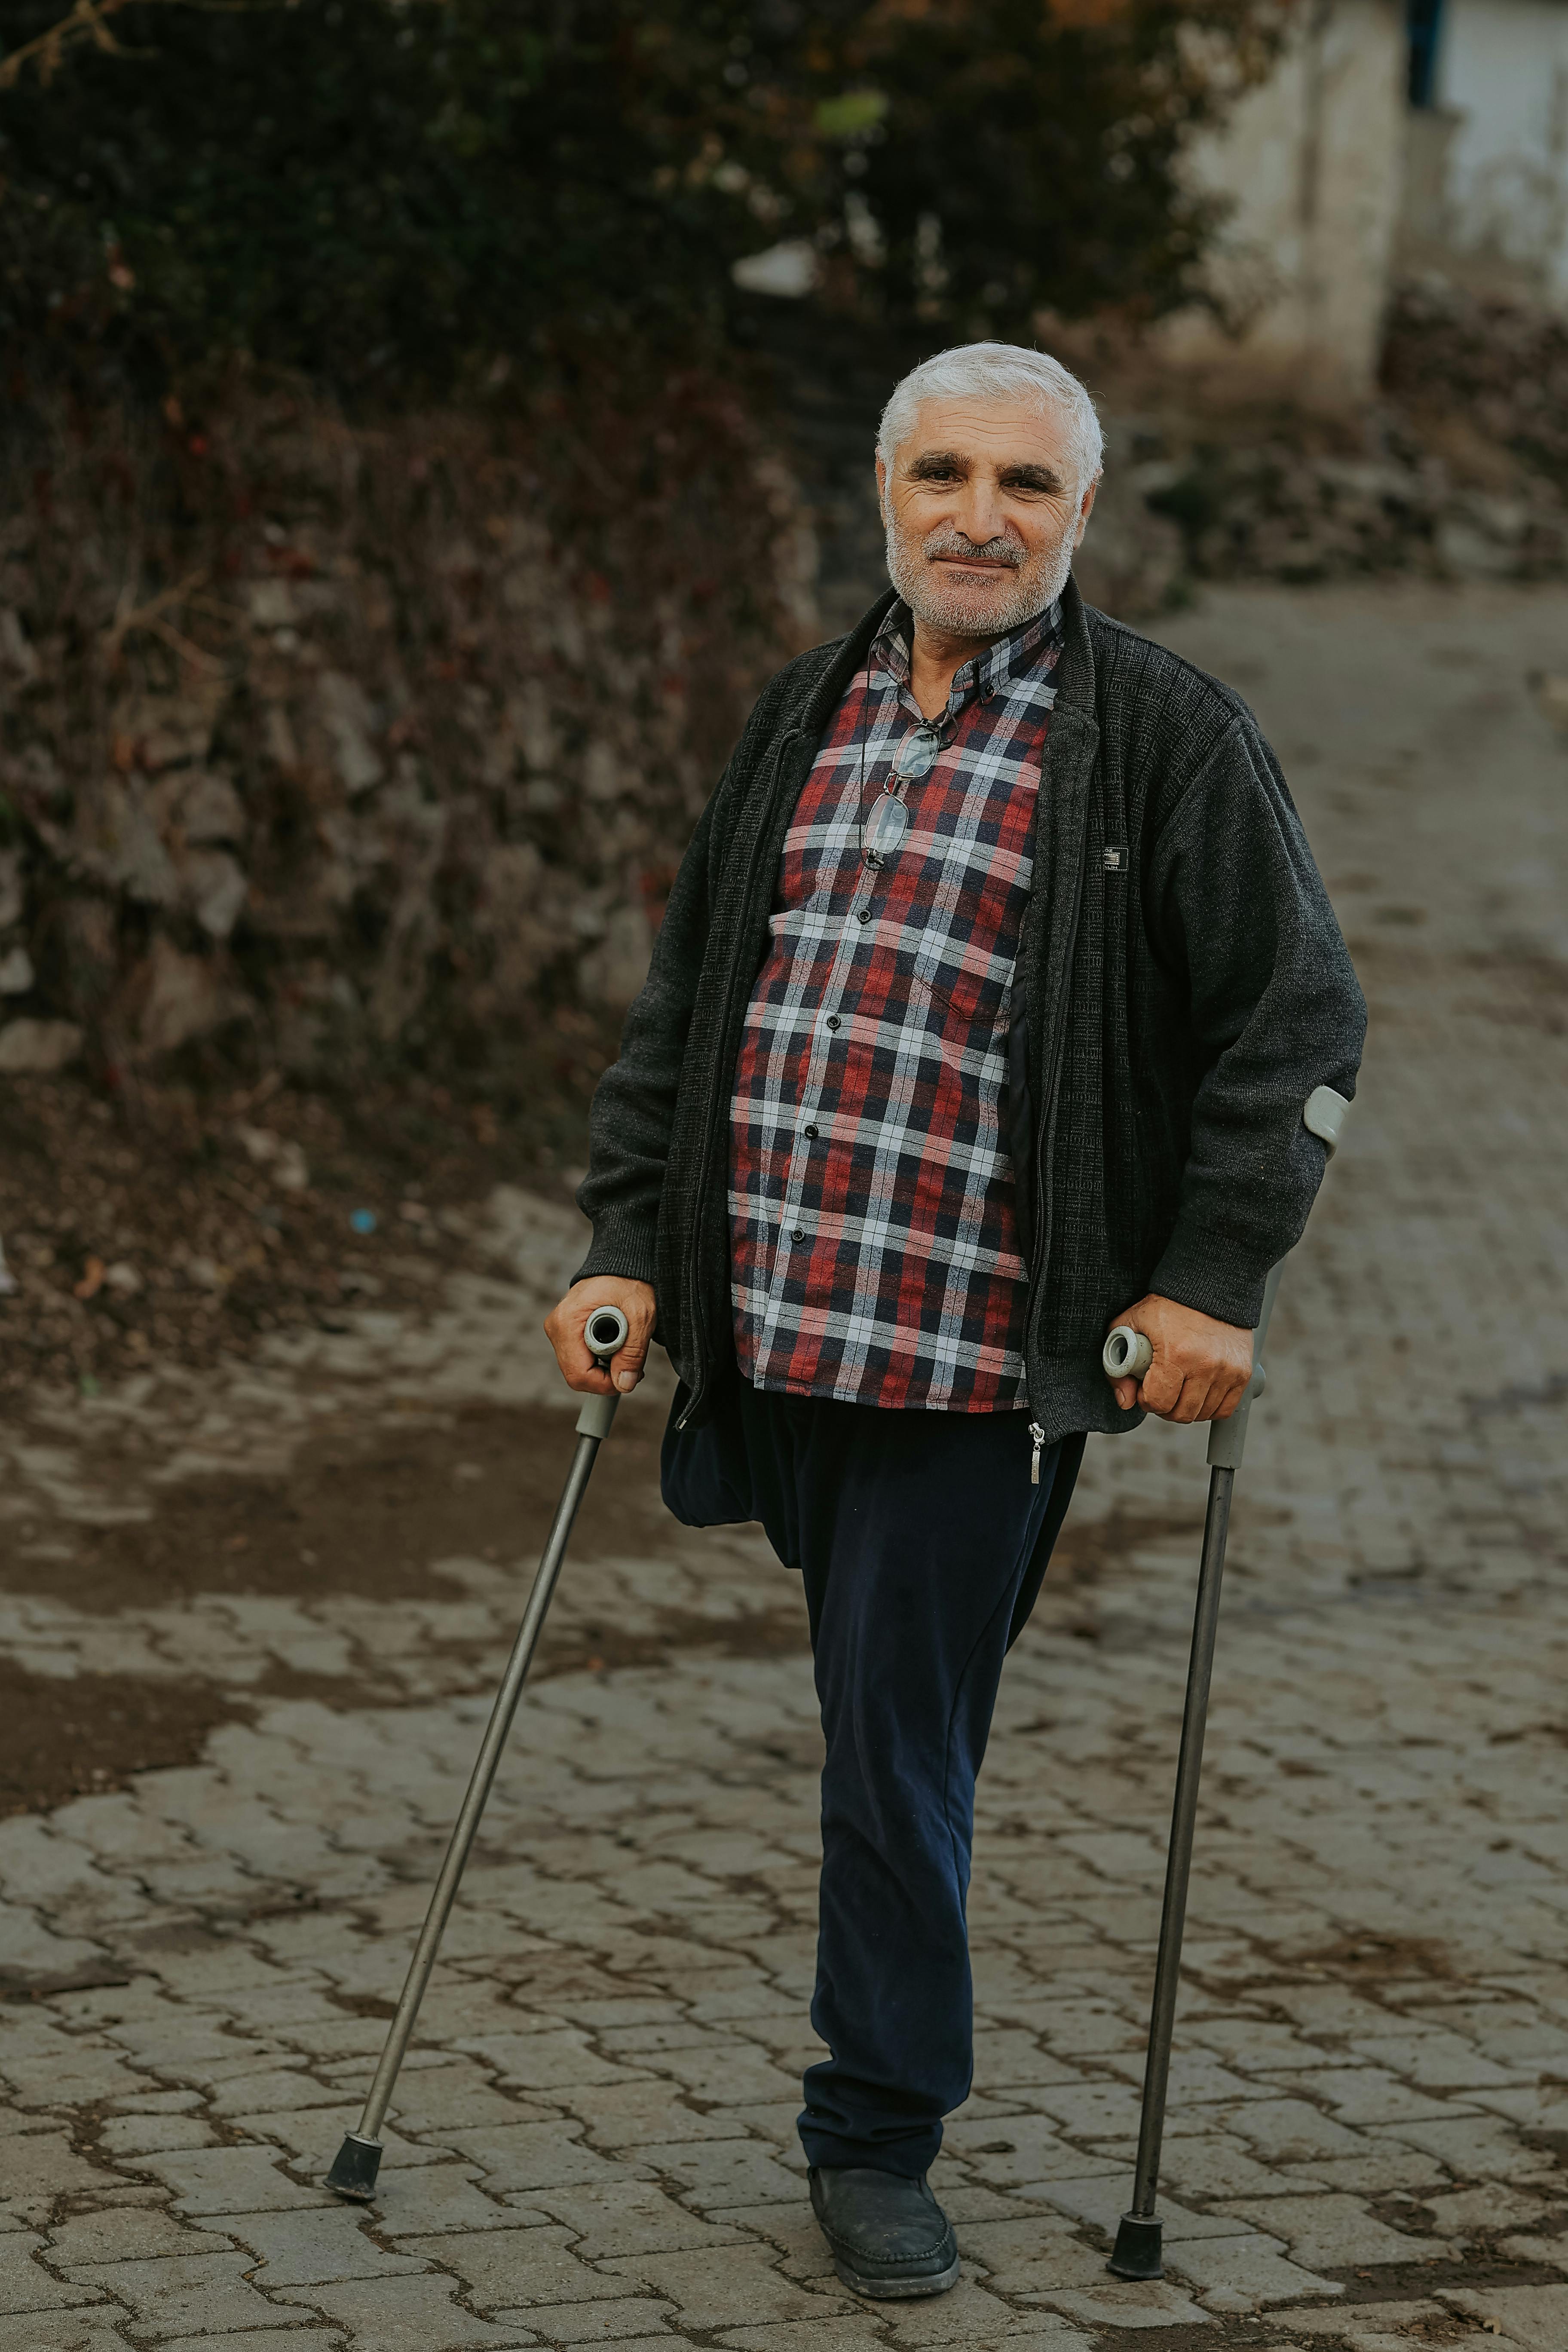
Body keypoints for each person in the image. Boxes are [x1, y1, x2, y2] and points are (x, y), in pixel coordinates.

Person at [544, 340, 1366, 2301]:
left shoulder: (1159, 734)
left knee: (893, 1746)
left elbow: (1299, 1016)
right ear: (888, 498)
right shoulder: (803, 711)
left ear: (1086, 515)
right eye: (943, 476)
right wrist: (624, 1243)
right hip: (768, 1327)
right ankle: (880, 2083)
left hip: (966, 1361)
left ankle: (876, 2130)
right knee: (876, 1719)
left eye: (1024, 484)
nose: (978, 517)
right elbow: (692, 1005)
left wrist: (1207, 1277)